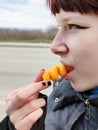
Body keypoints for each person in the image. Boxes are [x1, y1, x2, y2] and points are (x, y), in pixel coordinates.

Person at [1, 0, 98, 129]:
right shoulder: (58, 99)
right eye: (59, 26)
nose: (54, 46)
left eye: (74, 26)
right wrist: (19, 125)